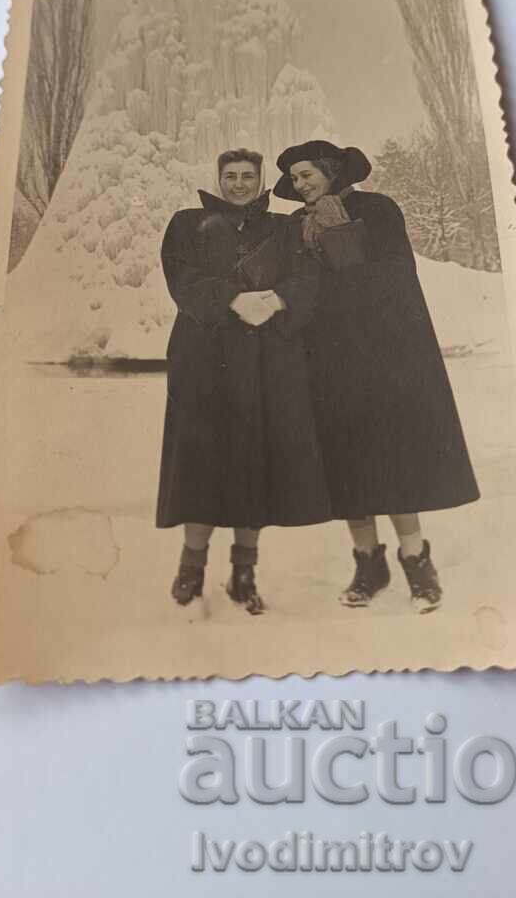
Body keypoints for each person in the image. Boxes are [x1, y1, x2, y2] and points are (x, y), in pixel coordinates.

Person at [274, 139, 480, 613]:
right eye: (295, 178)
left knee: (390, 457)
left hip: (379, 356)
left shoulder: (378, 209)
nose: (301, 183)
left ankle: (416, 561)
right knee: (344, 460)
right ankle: (369, 563)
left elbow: (395, 274)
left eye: (307, 174)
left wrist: (339, 243)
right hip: (324, 360)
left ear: (330, 170)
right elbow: (291, 285)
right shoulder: (292, 226)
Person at [156, 147, 330, 615]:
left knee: (254, 465)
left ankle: (243, 573)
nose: (237, 184)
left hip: (264, 364)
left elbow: (308, 279)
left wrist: (275, 301)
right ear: (218, 178)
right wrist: (232, 300)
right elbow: (181, 278)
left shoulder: (284, 227)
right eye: (229, 176)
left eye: (246, 176)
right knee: (201, 463)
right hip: (205, 362)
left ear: (259, 182)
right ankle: (191, 567)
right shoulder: (186, 223)